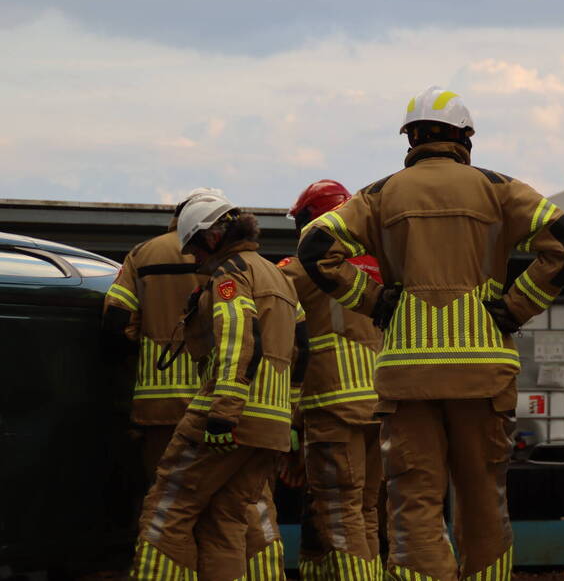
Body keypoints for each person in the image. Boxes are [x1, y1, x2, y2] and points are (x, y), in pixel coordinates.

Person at [297, 87, 564, 581]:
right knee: (483, 501)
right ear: (465, 138)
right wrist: (516, 306)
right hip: (483, 377)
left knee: (413, 501)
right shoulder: (499, 189)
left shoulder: (380, 194)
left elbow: (316, 245)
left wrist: (372, 300)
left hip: (408, 378)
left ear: (410, 139)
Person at [131, 191, 308, 581]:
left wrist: (223, 411)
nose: (194, 260)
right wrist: (291, 418)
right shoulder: (277, 274)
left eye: (194, 249)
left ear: (212, 238)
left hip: (229, 416)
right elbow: (302, 348)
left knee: (167, 508)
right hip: (270, 425)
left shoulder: (231, 274)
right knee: (225, 521)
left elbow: (237, 338)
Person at [279, 180, 385, 580]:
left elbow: (270, 313)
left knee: (339, 512)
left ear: (310, 220)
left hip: (332, 403)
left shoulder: (301, 268)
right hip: (380, 403)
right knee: (366, 510)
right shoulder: (378, 264)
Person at [101, 188, 210, 479]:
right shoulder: (228, 257)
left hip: (158, 409)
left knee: (164, 498)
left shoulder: (143, 254)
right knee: (218, 506)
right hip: (218, 406)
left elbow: (116, 320)